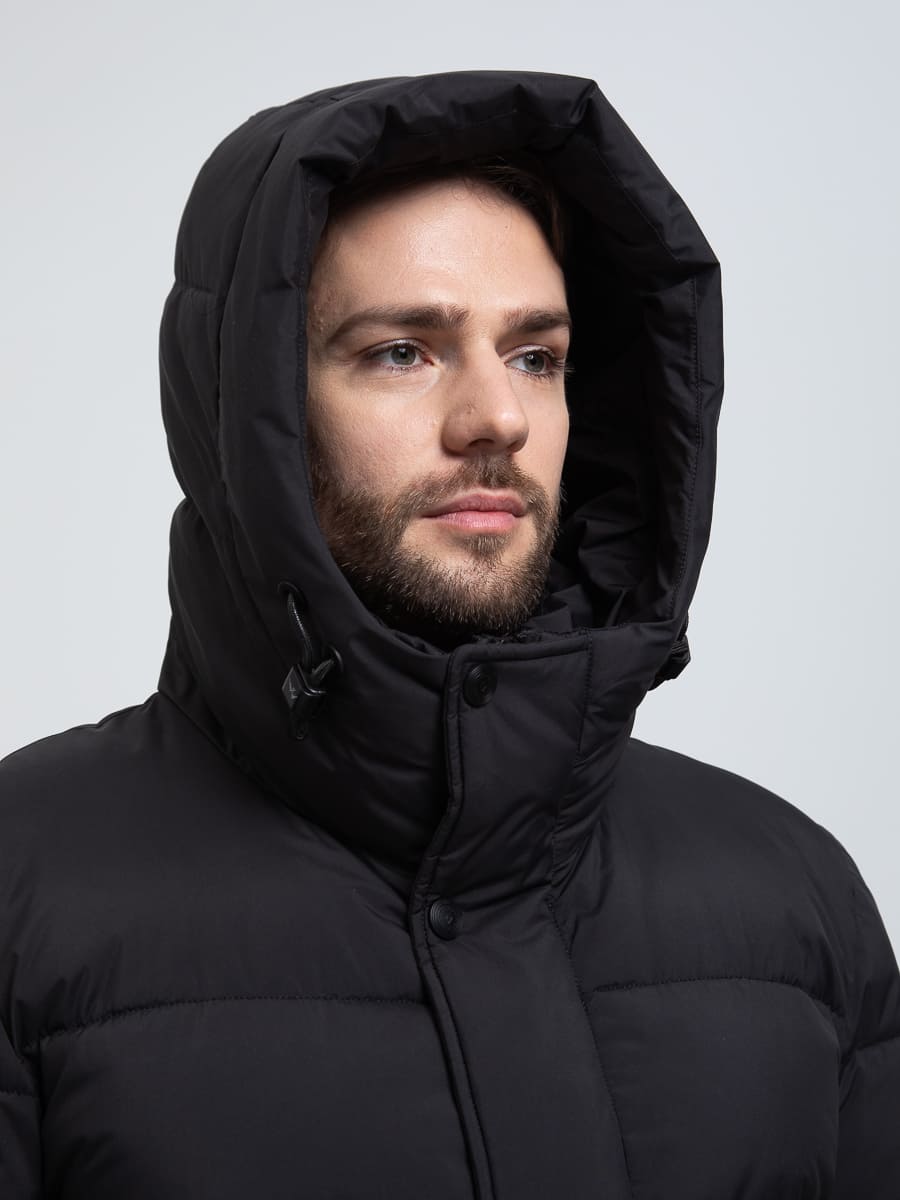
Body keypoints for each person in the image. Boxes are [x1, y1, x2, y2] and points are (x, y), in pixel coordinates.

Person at [1, 69, 897, 1199]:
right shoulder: (24, 892)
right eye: (401, 351)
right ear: (250, 411)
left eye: (536, 356)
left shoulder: (792, 899)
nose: (497, 418)